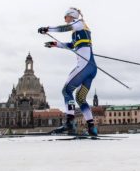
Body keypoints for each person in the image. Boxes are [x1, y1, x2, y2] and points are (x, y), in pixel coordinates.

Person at [38, 8, 98, 136]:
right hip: (91, 69)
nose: (64, 20)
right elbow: (71, 45)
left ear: (71, 16)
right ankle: (92, 127)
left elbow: (63, 28)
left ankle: (69, 123)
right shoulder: (79, 30)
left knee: (66, 91)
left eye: (65, 17)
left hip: (85, 67)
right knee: (80, 98)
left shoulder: (79, 23)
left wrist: (47, 29)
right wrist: (55, 44)